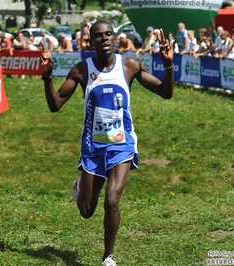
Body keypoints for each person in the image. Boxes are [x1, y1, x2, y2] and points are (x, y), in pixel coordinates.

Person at [39, 21, 174, 266]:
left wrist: (168, 64)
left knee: (112, 200)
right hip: (92, 148)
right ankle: (80, 187)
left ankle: (108, 257)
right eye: (98, 36)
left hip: (122, 146)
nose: (104, 39)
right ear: (91, 42)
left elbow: (165, 91)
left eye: (108, 34)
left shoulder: (130, 66)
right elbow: (55, 104)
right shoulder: (81, 70)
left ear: (115, 38)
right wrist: (47, 76)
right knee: (86, 211)